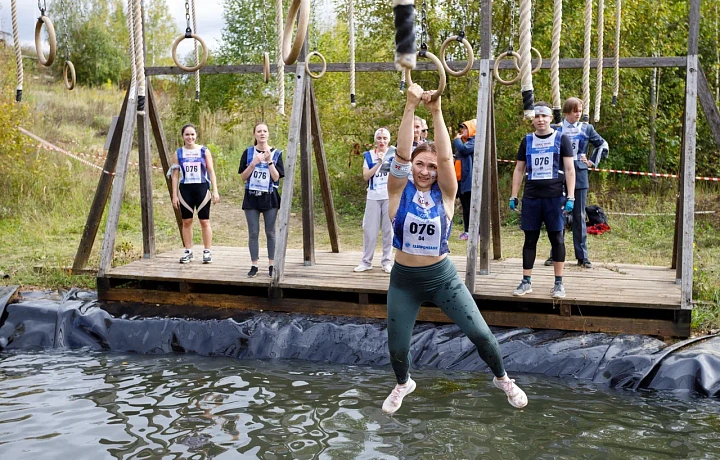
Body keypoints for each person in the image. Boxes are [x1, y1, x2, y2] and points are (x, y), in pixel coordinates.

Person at [381, 83, 528, 415]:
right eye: (421, 164)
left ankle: (502, 378)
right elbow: (402, 153)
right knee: (397, 348)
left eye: (431, 167)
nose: (425, 171)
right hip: (404, 280)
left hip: (442, 278)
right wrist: (409, 106)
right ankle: (404, 383)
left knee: (482, 335)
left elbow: (446, 156)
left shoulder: (446, 194)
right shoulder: (396, 190)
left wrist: (436, 110)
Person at [510, 102, 576, 298]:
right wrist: (514, 195)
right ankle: (526, 281)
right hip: (532, 196)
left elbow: (570, 169)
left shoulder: (561, 138)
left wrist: (571, 196)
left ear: (550, 118)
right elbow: (519, 169)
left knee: (557, 238)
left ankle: (558, 283)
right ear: (533, 119)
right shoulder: (527, 140)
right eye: (537, 116)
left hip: (555, 197)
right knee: (530, 239)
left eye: (544, 116)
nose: (540, 120)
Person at [544, 97, 609, 268]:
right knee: (558, 214)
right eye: (575, 111)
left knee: (579, 215)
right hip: (559, 174)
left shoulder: (587, 128)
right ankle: (555, 254)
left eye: (580, 111)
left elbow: (602, 144)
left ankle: (582, 256)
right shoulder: (556, 128)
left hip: (579, 175)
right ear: (566, 112)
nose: (578, 114)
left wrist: (592, 162)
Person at [239, 123, 285, 278]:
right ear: (254, 134)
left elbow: (276, 177)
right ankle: (254, 265)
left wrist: (270, 161)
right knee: (253, 232)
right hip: (251, 198)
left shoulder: (277, 153)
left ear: (268, 134)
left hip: (270, 198)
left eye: (265, 131)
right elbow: (243, 177)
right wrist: (254, 163)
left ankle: (272, 264)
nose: (262, 133)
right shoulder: (248, 152)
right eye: (259, 131)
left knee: (270, 232)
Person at [170, 124, 220, 264]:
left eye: (192, 134)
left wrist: (215, 190)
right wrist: (174, 195)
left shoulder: (204, 151)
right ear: (183, 136)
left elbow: (211, 171)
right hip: (185, 189)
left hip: (202, 188)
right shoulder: (178, 153)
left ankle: (207, 251)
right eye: (187, 134)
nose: (190, 137)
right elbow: (175, 175)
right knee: (186, 221)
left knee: (204, 221)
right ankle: (188, 251)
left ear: (196, 136)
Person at [354, 128, 395, 273]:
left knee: (388, 230)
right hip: (373, 196)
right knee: (369, 230)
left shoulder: (394, 154)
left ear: (389, 139)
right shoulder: (369, 156)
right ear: (375, 140)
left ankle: (387, 262)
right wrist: (378, 163)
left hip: (390, 196)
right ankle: (366, 261)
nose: (382, 141)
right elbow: (366, 176)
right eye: (379, 138)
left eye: (384, 138)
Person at [452, 119, 477, 241]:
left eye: (465, 128)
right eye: (462, 128)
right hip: (461, 181)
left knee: (471, 207)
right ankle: (467, 231)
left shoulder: (474, 141)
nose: (462, 131)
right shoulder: (464, 142)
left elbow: (463, 150)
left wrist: (456, 140)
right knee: (465, 207)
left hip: (470, 182)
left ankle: (473, 232)